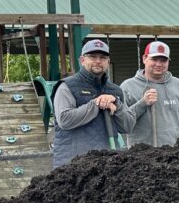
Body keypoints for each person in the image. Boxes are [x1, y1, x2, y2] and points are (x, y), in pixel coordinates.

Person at [52, 39, 135, 168]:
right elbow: (64, 119)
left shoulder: (115, 90)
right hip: (72, 164)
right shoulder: (66, 86)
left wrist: (117, 105)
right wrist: (96, 104)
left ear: (108, 62)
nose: (98, 61)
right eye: (92, 56)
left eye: (102, 57)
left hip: (108, 163)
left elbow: (128, 126)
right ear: (82, 60)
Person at [120, 41, 179, 148]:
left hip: (173, 156)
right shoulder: (127, 87)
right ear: (144, 59)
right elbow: (123, 123)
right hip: (139, 156)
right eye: (154, 59)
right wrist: (142, 103)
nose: (159, 64)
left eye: (163, 60)